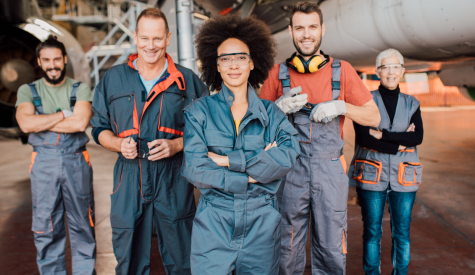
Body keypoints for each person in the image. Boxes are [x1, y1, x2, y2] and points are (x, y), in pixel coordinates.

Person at [259, 2, 381, 274]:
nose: (306, 34)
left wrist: (341, 107)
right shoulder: (276, 74)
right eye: (300, 28)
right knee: (286, 245)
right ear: (291, 31)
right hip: (289, 171)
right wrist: (276, 109)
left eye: (312, 27)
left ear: (322, 29)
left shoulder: (343, 70)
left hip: (329, 170)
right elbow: (255, 131)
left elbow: (374, 117)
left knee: (331, 246)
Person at [90, 8, 208, 275]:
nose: (150, 46)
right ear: (135, 37)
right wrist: (118, 144)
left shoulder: (188, 81)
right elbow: (98, 129)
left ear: (167, 38)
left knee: (182, 255)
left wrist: (177, 145)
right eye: (144, 38)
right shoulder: (113, 79)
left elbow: (206, 132)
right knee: (128, 252)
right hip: (129, 176)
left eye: (157, 39)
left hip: (173, 177)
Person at [182, 13, 300, 275]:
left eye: (240, 57)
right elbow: (194, 167)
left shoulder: (272, 114)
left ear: (252, 63)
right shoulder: (198, 112)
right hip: (214, 223)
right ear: (217, 66)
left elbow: (289, 154)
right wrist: (252, 176)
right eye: (226, 59)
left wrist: (226, 161)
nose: (233, 65)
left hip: (262, 225)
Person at [15, 35, 96, 274]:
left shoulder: (79, 88)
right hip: (43, 163)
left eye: (57, 59)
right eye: (47, 60)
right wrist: (63, 114)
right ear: (39, 62)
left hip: (76, 161)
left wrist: (42, 121)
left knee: (83, 224)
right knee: (46, 227)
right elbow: (26, 125)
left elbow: (80, 122)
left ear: (64, 60)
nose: (53, 65)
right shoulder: (26, 90)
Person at [349, 48, 424, 275]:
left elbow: (417, 137)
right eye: (385, 67)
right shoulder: (364, 101)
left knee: (402, 232)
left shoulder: (413, 103)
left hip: (404, 178)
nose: (390, 72)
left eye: (395, 67)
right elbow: (364, 138)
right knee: (372, 232)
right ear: (377, 72)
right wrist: (401, 144)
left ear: (401, 71)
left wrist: (383, 136)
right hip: (372, 178)